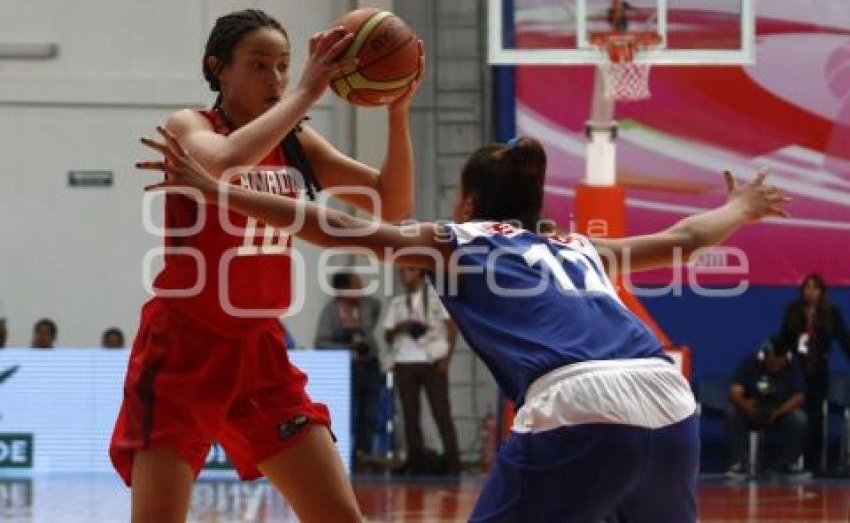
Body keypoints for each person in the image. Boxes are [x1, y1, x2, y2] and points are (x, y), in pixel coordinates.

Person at [138, 133, 789, 522]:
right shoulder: (577, 246)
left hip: (578, 399)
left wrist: (214, 188)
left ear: (469, 203)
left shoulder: (457, 239)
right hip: (666, 394)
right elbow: (684, 237)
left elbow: (331, 223)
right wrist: (742, 205)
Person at [116, 8, 422, 523]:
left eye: (283, 66)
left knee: (340, 517)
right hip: (185, 350)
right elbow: (221, 165)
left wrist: (397, 111)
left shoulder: (295, 141)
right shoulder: (190, 125)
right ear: (219, 68)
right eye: (260, 66)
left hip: (261, 353)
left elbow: (391, 203)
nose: (277, 79)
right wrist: (306, 93)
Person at [384, 265, 460, 475]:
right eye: (401, 272)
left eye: (407, 271)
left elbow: (452, 329)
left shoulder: (437, 299)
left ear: (418, 273)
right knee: (410, 415)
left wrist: (447, 359)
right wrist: (403, 326)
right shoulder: (398, 302)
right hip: (404, 362)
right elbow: (387, 335)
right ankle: (416, 462)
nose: (402, 275)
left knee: (441, 413)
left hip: (432, 361)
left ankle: (453, 462)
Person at [773, 272, 850, 472]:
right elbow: (783, 339)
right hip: (796, 369)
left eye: (815, 287)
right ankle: (789, 461)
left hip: (818, 369)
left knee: (816, 416)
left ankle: (814, 464)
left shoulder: (831, 312)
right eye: (807, 287)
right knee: (798, 414)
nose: (811, 292)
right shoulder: (793, 311)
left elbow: (843, 339)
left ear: (822, 291)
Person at [315, 271, 382, 465]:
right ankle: (348, 455)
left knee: (370, 411)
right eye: (355, 286)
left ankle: (365, 454)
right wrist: (347, 349)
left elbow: (377, 304)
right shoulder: (331, 311)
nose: (360, 290)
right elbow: (321, 342)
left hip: (370, 364)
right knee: (351, 412)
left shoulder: (366, 306)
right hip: (348, 368)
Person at [726, 340, 808, 478]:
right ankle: (740, 464)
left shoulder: (793, 365)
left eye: (779, 361)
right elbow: (734, 391)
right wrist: (746, 406)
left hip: (781, 412)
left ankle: (788, 464)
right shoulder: (751, 363)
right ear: (764, 356)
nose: (775, 365)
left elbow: (799, 396)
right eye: (771, 361)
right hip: (753, 411)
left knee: (799, 418)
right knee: (733, 413)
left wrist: (778, 412)